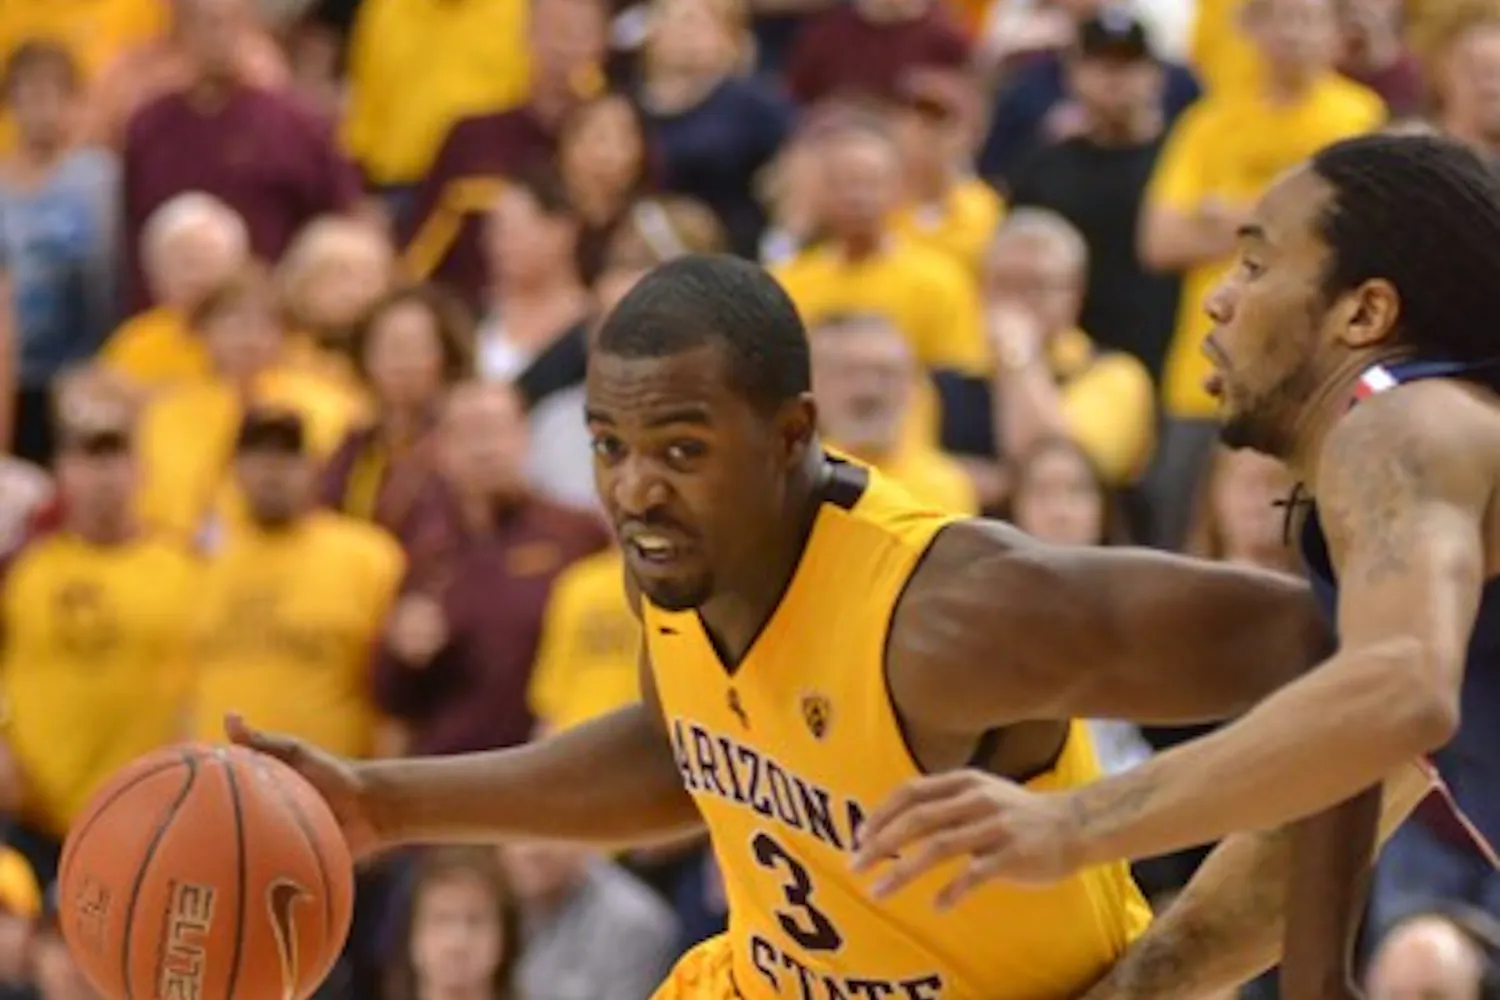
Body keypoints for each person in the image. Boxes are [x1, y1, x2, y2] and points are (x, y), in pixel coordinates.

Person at [230, 253, 1429, 1000]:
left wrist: (1297, 967)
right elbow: (685, 749)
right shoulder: (681, 559)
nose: (635, 487)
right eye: (608, 446)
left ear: (792, 433)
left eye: (680, 449)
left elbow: (1346, 654)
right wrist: (385, 804)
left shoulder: (960, 612)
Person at [853, 133, 1500, 998]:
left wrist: (1073, 824)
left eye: (1255, 267)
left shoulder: (1398, 426)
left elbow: (1399, 691)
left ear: (1364, 314)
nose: (1218, 301)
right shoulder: (1432, 459)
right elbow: (1333, 775)